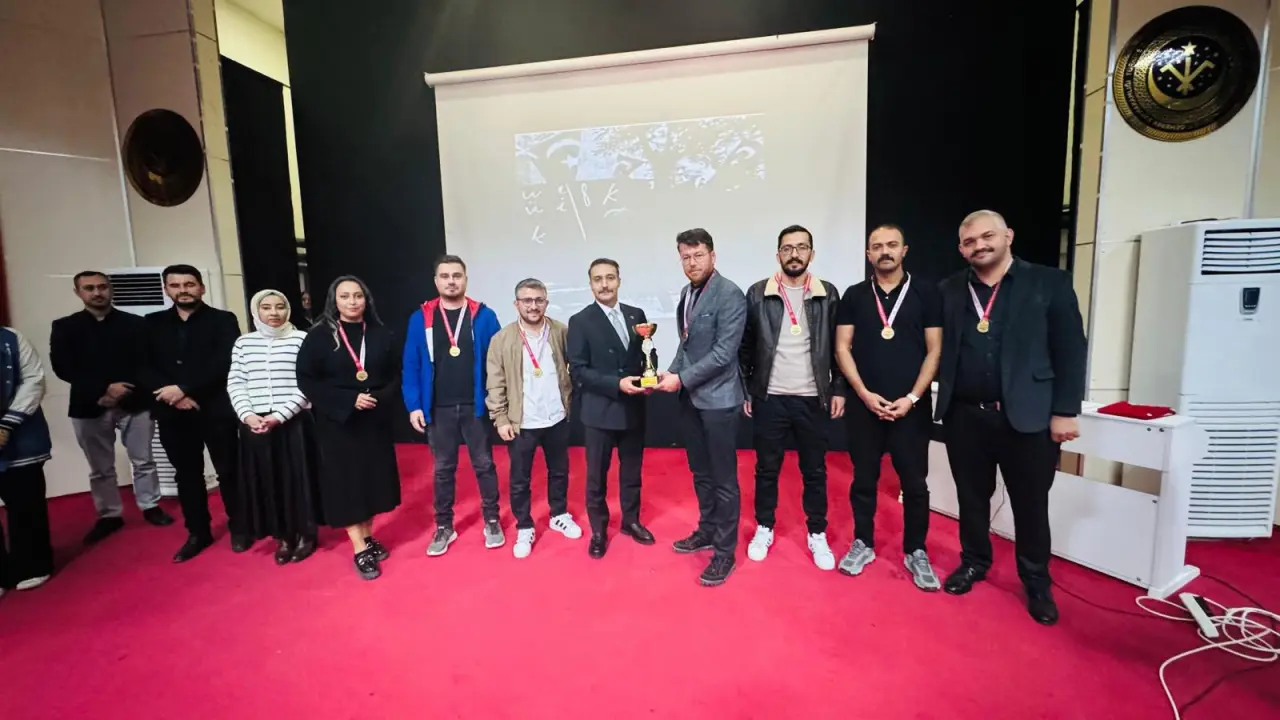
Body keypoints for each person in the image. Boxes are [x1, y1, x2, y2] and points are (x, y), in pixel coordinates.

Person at [935, 210, 1086, 625]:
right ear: (961, 248)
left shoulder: (1049, 283)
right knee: (971, 498)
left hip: (1029, 417)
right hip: (966, 416)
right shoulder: (949, 289)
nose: (979, 245)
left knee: (1030, 504)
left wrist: (1064, 411)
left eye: (987, 236)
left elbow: (1071, 350)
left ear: (1008, 236)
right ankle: (974, 562)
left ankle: (1035, 580)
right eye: (969, 241)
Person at [834, 224, 943, 590]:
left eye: (892, 245)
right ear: (868, 254)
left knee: (915, 483)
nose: (885, 251)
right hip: (864, 406)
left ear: (904, 250)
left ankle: (916, 550)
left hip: (910, 409)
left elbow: (935, 350)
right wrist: (864, 394)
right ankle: (862, 542)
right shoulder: (854, 295)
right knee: (863, 479)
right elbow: (842, 347)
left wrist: (912, 398)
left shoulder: (926, 293)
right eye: (877, 246)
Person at [740, 225, 846, 571]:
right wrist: (748, 390)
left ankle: (817, 531)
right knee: (766, 469)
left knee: (814, 470)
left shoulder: (828, 294)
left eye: (801, 247)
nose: (794, 254)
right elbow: (745, 348)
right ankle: (765, 527)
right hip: (770, 397)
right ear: (778, 255)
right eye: (787, 248)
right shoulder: (758, 293)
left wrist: (838, 388)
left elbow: (840, 348)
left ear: (811, 254)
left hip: (812, 398)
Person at [50, 271, 174, 546]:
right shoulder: (65, 327)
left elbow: (147, 363)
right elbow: (63, 367)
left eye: (102, 287)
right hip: (90, 404)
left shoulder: (136, 324)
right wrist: (104, 389)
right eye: (89, 288)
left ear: (110, 289)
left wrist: (122, 389)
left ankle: (150, 505)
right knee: (100, 467)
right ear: (78, 292)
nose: (97, 292)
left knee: (143, 460)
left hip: (135, 401)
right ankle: (109, 514)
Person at [655, 228, 748, 587]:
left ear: (713, 256)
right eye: (686, 257)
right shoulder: (686, 292)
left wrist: (681, 379)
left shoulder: (730, 294)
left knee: (724, 480)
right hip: (691, 400)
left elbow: (724, 354)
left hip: (720, 402)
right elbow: (687, 345)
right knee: (701, 473)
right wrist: (670, 371)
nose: (692, 262)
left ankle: (725, 552)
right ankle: (707, 530)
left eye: (698, 255)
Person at [296, 276, 402, 580]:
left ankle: (368, 536)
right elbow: (306, 379)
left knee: (371, 482)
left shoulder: (381, 334)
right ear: (335, 300)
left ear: (366, 299)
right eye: (345, 296)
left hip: (374, 420)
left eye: (358, 296)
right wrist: (348, 400)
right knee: (348, 484)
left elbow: (395, 375)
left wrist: (378, 399)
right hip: (339, 423)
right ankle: (359, 548)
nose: (352, 302)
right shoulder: (319, 337)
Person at [402, 255, 504, 556]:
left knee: (484, 465)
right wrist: (414, 405)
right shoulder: (420, 318)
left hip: (476, 405)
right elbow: (411, 364)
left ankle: (492, 520)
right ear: (436, 281)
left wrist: (498, 403)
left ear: (465, 279)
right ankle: (444, 525)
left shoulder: (484, 316)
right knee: (443, 469)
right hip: (438, 407)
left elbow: (498, 363)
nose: (451, 281)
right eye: (445, 276)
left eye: (457, 275)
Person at [141, 265, 243, 563]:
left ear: (201, 287)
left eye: (189, 284)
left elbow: (225, 360)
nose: (183, 290)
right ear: (166, 289)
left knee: (229, 470)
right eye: (175, 285)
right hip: (172, 411)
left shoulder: (223, 320)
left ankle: (240, 526)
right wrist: (173, 395)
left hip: (215, 408)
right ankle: (198, 532)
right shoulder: (151, 323)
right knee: (187, 474)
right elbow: (142, 365)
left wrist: (186, 389)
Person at [486, 278, 581, 559]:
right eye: (527, 300)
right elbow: (495, 382)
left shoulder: (561, 332)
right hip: (521, 421)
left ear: (546, 303)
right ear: (516, 304)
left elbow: (576, 367)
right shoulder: (501, 340)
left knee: (559, 471)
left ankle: (558, 514)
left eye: (539, 300)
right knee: (520, 478)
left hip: (556, 417)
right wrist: (500, 418)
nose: (533, 306)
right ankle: (525, 525)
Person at [566, 258, 656, 558]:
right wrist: (616, 384)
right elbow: (579, 371)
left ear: (619, 280)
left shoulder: (636, 315)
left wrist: (650, 375)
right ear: (590, 283)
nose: (604, 284)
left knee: (632, 472)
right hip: (599, 411)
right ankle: (599, 530)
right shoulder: (580, 321)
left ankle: (631, 521)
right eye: (598, 279)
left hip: (634, 407)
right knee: (597, 476)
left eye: (610, 278)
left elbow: (647, 353)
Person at [227, 289, 319, 565]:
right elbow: (236, 382)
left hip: (293, 422)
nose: (274, 313)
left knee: (299, 481)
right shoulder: (244, 343)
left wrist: (280, 415)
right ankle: (284, 536)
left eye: (280, 307)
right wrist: (247, 415)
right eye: (266, 307)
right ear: (257, 311)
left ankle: (306, 534)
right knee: (269, 481)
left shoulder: (302, 339)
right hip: (256, 424)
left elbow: (307, 383)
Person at [0, 327, 55, 595]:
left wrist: (6, 425)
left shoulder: (11, 338)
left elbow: (33, 379)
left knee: (25, 502)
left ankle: (32, 565)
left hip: (19, 433)